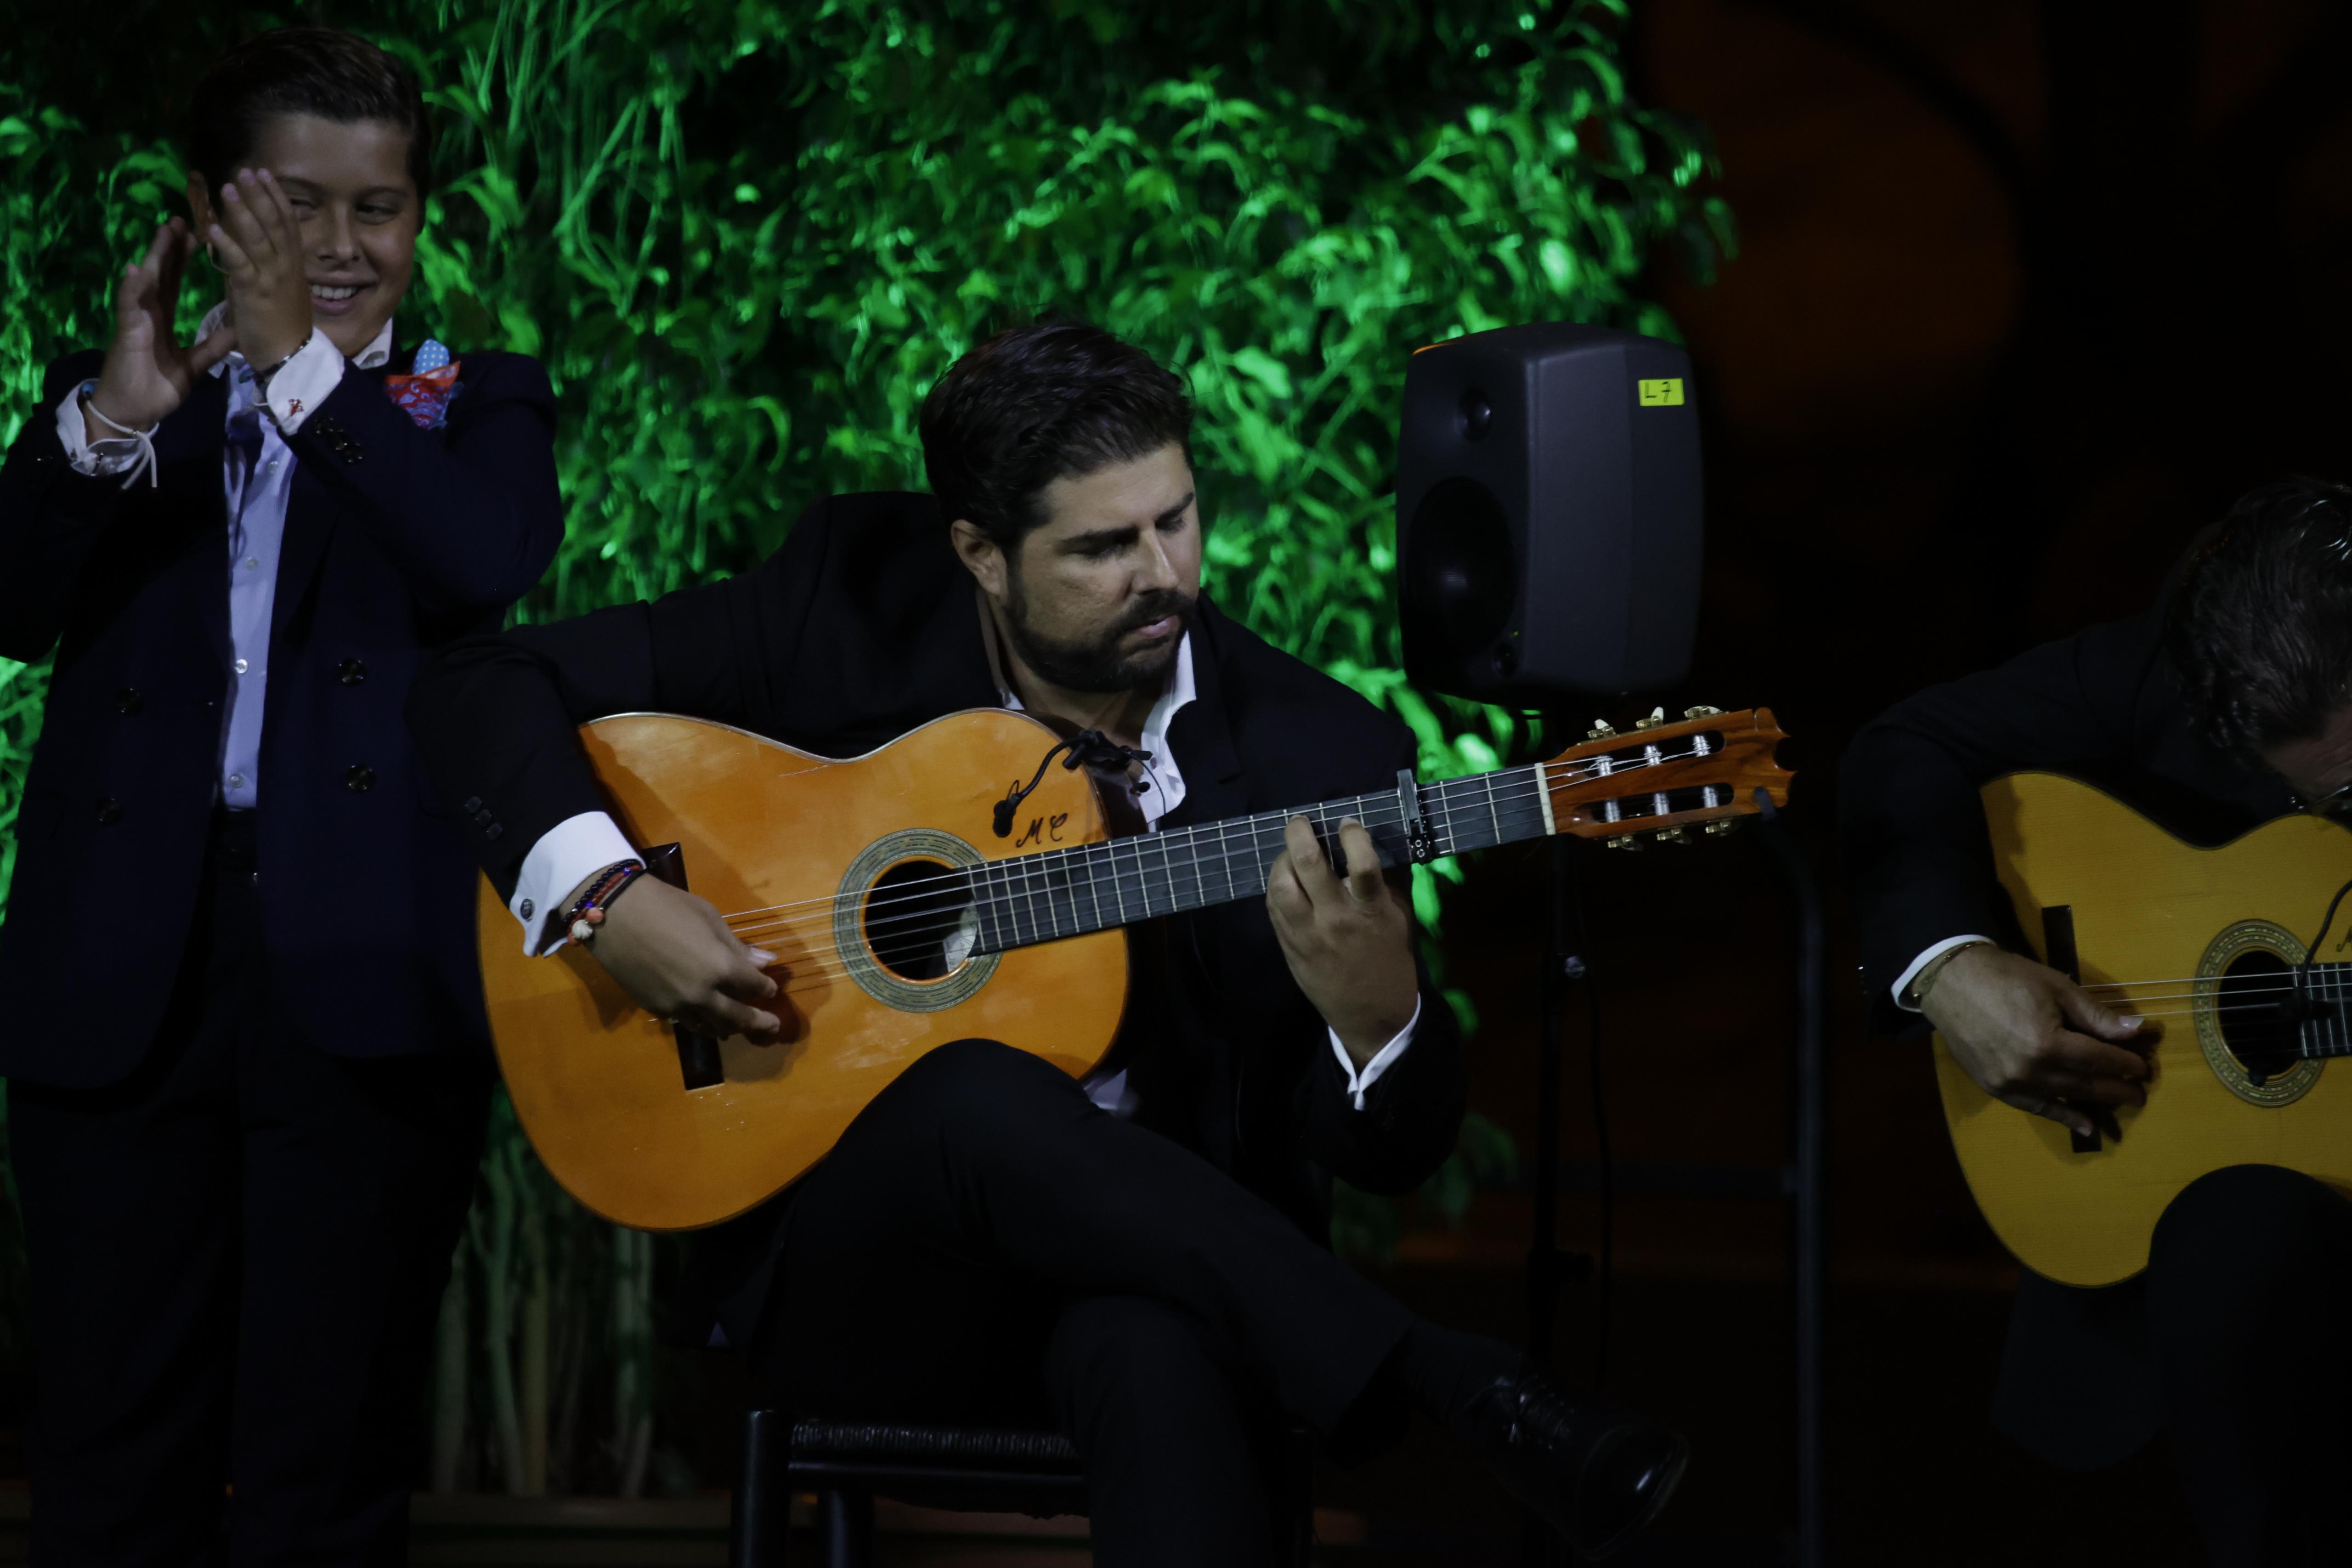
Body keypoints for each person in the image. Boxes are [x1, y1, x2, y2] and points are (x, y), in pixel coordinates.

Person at [408, 320, 1686, 1562]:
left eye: (1176, 519)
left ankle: (1421, 1375)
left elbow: (1386, 1156)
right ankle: (1446, 1375)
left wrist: (1378, 1019)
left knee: (1160, 1352)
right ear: (981, 553)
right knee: (968, 1091)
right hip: (878, 1283)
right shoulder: (850, 599)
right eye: (1103, 547)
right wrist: (610, 896)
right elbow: (475, 686)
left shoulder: (1322, 754)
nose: (1164, 572)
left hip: (1164, 1294)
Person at [0, 28, 564, 1565]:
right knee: (111, 1459)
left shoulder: (473, 399)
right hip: (122, 965)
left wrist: (306, 376)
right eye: (294, 205)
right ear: (208, 208)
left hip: (367, 970)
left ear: (421, 218)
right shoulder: (128, 397)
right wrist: (114, 420)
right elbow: (12, 603)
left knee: (330, 1463)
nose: (341, 245)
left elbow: (480, 557)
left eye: (378, 208)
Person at [1841, 477, 2352, 1565]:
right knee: (2235, 1243)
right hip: (2229, 1276)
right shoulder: (2181, 662)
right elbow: (1903, 748)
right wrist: (1949, 965)